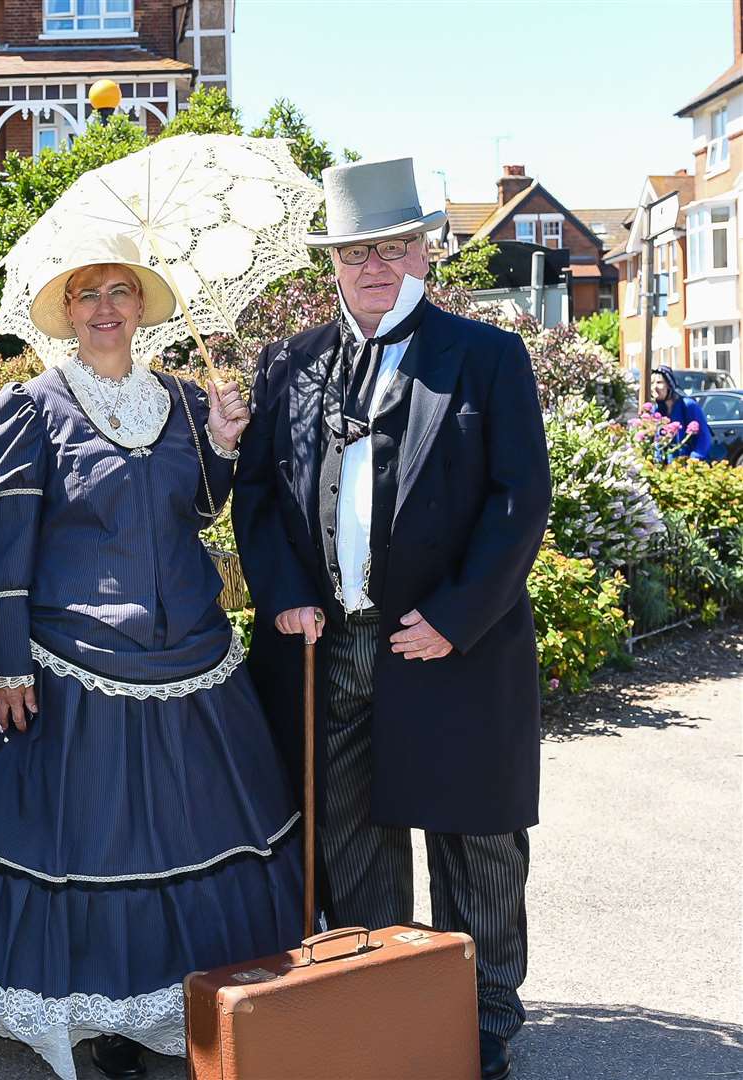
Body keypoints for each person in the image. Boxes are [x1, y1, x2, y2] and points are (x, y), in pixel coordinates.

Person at [0, 236, 303, 1080]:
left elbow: (197, 512)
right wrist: (9, 661)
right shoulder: (33, 407)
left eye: (120, 292)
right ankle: (93, 1012)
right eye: (88, 294)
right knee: (85, 842)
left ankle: (178, 1002)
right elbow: (7, 548)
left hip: (191, 659)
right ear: (66, 313)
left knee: (179, 837)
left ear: (142, 307)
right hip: (70, 660)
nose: (105, 308)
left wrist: (221, 442)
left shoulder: (179, 396)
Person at [233, 158, 552, 1080]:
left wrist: (456, 617)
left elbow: (516, 501)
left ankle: (485, 1011)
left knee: (476, 841)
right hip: (330, 644)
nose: (377, 266)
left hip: (456, 645)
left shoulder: (487, 359)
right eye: (357, 251)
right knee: (351, 835)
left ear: (427, 254)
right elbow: (256, 497)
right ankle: (385, 998)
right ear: (332, 262)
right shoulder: (289, 363)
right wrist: (285, 590)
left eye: (396, 247)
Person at [650, 365, 719, 461]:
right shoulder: (657, 410)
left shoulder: (688, 405)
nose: (654, 387)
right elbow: (657, 441)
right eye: (652, 383)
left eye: (659, 382)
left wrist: (695, 458)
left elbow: (704, 436)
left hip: (689, 466)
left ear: (670, 385)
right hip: (667, 470)